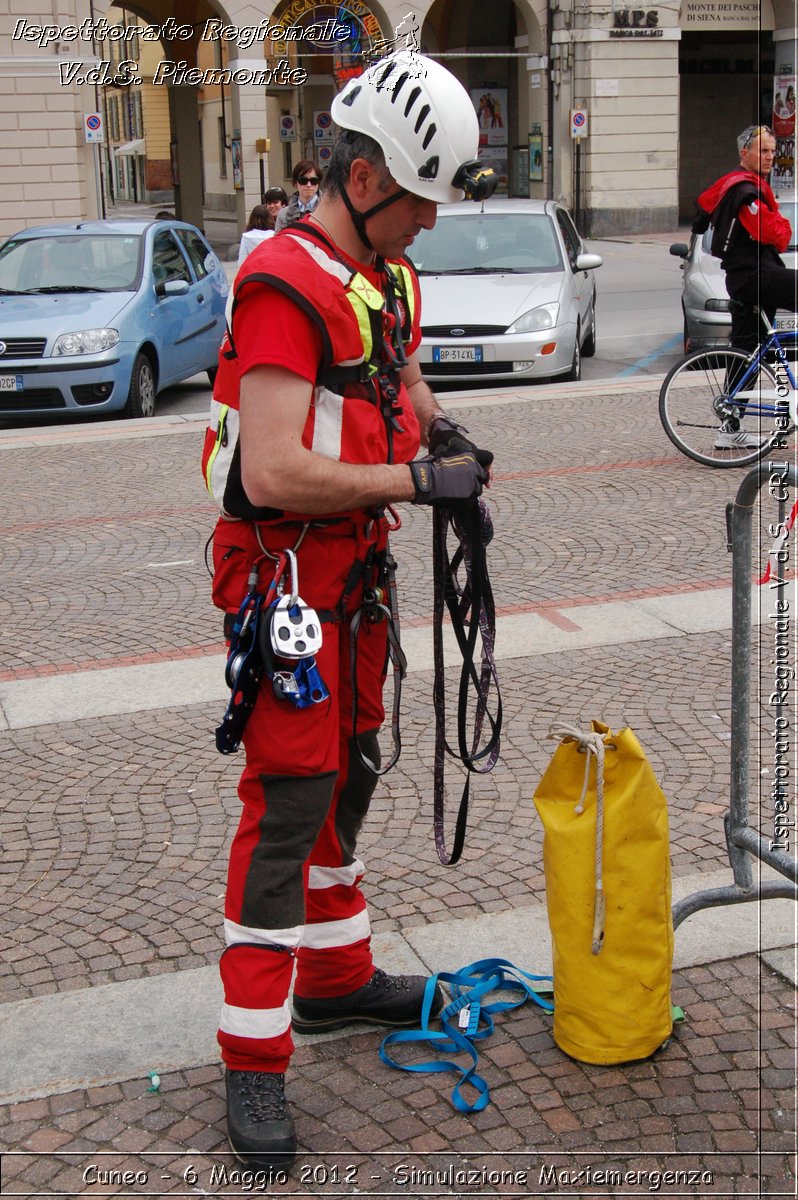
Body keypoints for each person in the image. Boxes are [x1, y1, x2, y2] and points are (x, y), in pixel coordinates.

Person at [201, 50, 496, 1175]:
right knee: (288, 801)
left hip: (353, 579)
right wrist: (417, 486)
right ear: (367, 180)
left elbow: (400, 386)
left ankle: (330, 980)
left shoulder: (386, 275)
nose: (433, 219)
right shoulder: (281, 284)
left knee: (353, 766)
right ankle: (255, 1055)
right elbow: (273, 470)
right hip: (283, 578)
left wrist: (444, 435)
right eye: (424, 196)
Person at [693, 124, 795, 447]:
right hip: (755, 277)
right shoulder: (744, 191)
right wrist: (782, 225)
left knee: (747, 351)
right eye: (762, 151)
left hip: (745, 280)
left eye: (771, 151)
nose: (769, 157)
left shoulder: (738, 186)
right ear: (744, 154)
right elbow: (777, 236)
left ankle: (729, 429)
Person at [237, 191, 287, 267]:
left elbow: (241, 263)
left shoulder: (246, 237)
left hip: (252, 274)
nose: (272, 206)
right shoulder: (276, 236)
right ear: (269, 219)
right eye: (269, 203)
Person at [273, 160, 321, 231]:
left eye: (314, 181)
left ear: (318, 183)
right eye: (303, 180)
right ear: (295, 183)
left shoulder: (328, 212)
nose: (309, 185)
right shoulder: (283, 214)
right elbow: (278, 240)